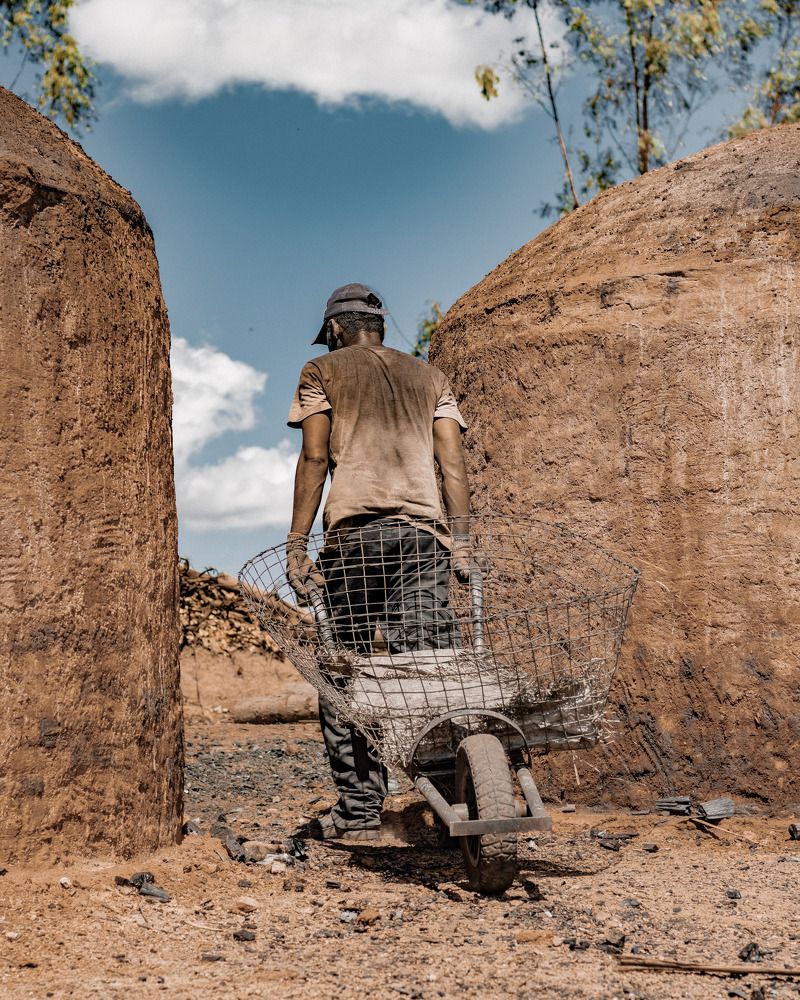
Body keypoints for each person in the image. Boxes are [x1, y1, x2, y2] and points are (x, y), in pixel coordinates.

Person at [285, 283, 481, 841]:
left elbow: (315, 457)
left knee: (344, 669)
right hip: (423, 540)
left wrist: (297, 543)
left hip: (355, 540)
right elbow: (452, 463)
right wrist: (462, 541)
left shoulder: (321, 370)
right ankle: (454, 799)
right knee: (429, 667)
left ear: (335, 330)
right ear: (380, 328)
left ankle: (359, 810)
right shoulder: (431, 377)